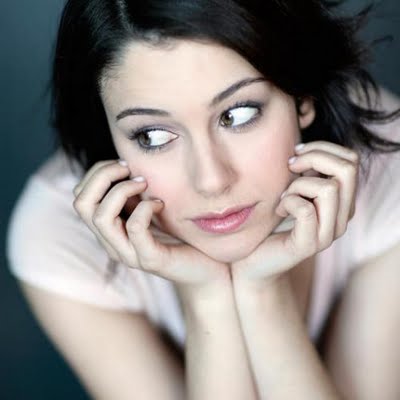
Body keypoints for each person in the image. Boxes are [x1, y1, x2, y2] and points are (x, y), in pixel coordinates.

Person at [6, 1, 400, 399]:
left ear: (302, 97)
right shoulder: (59, 237)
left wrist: (264, 295)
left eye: (238, 114)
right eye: (153, 137)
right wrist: (207, 299)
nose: (212, 181)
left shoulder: (389, 170)